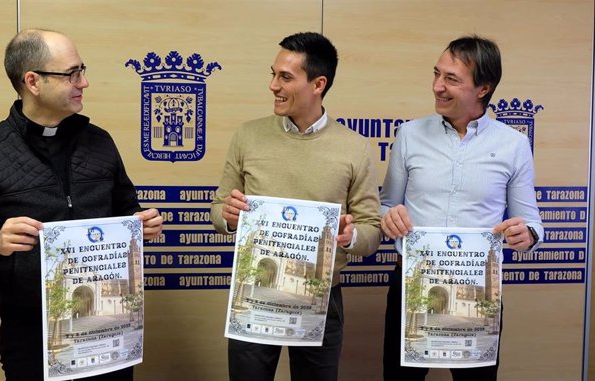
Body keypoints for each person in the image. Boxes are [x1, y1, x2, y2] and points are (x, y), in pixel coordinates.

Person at [0, 29, 163, 381]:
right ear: (33, 81)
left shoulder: (100, 143)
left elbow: (126, 208)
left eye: (83, 70)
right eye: (72, 73)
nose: (84, 82)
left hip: (108, 330)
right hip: (31, 336)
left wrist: (139, 223)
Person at [210, 31, 382, 381]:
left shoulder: (355, 148)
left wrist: (349, 237)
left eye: (285, 77)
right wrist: (228, 217)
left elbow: (372, 231)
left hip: (322, 296)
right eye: (273, 74)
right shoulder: (248, 135)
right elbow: (218, 208)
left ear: (318, 84)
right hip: (255, 294)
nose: (273, 85)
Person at [379, 35, 544, 381]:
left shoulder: (513, 145)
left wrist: (525, 234)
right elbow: (387, 204)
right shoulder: (409, 135)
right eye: (437, 74)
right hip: (412, 283)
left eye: (451, 79)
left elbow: (530, 222)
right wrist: (388, 218)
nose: (437, 86)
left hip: (479, 288)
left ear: (483, 88)